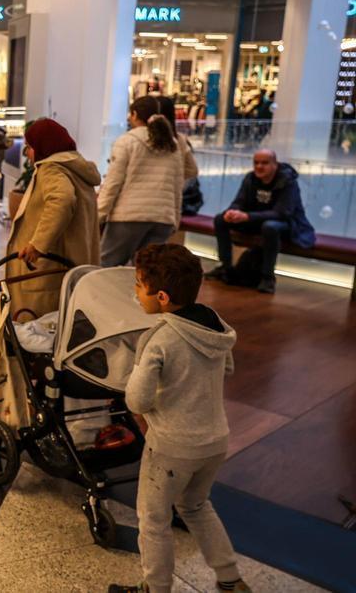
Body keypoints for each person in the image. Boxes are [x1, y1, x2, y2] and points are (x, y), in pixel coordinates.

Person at [110, 243, 248, 593]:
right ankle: (231, 579)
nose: (136, 293)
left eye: (139, 286)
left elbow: (137, 399)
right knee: (196, 505)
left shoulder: (157, 337)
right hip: (215, 440)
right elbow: (227, 367)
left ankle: (154, 588)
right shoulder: (214, 323)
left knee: (154, 520)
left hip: (172, 446)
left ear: (161, 296)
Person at [5, 118, 101, 317]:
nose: (28, 154)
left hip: (48, 270)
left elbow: (62, 200)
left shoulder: (52, 168)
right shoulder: (74, 168)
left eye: (30, 147)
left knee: (38, 332)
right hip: (65, 266)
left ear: (43, 147)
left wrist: (38, 244)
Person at [205, 149, 315, 294]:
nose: (259, 166)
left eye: (264, 163)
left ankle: (267, 278)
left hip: (287, 225)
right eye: (256, 163)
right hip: (257, 221)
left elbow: (282, 213)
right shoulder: (251, 178)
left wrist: (247, 217)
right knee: (220, 219)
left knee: (270, 227)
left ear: (275, 165)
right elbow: (239, 201)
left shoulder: (288, 182)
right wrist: (232, 212)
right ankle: (225, 266)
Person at [97, 96, 184, 266]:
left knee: (106, 267)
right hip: (162, 218)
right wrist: (175, 217)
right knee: (147, 273)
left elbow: (113, 183)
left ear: (135, 114)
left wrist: (99, 214)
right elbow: (177, 184)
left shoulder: (126, 141)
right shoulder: (172, 143)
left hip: (129, 216)